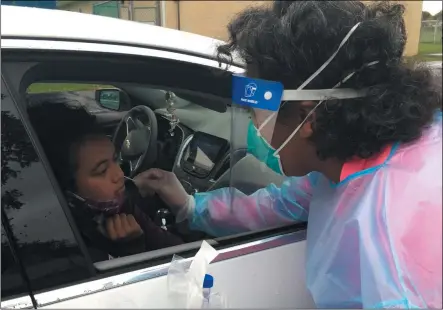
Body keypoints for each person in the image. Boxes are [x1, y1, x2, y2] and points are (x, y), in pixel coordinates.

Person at [134, 1, 442, 308]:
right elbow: (278, 204)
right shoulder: (347, 163)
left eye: (256, 110)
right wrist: (190, 205)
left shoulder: (388, 242)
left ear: (309, 119)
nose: (253, 123)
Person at [28, 101, 183, 261]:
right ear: (65, 189)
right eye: (102, 171)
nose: (119, 174)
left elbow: (178, 251)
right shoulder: (61, 243)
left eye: (115, 160)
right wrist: (132, 250)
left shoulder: (117, 205)